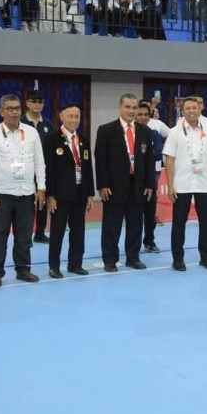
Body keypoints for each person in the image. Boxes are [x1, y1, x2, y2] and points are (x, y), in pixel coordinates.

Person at [0, 94, 46, 287]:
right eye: (9, 108)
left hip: (26, 193)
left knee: (24, 235)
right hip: (2, 194)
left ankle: (23, 269)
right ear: (1, 111)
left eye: (17, 108)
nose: (14, 112)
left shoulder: (31, 132)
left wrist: (41, 187)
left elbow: (39, 162)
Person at [94, 94, 155, 272]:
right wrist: (102, 184)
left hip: (138, 186)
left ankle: (133, 258)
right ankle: (110, 260)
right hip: (113, 186)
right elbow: (100, 160)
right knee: (111, 225)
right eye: (128, 107)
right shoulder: (106, 130)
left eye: (134, 107)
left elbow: (150, 160)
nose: (131, 111)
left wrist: (150, 184)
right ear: (120, 107)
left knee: (136, 223)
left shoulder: (145, 131)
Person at [163, 97, 207, 271]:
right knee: (178, 223)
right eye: (188, 108)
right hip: (181, 184)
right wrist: (170, 184)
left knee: (206, 222)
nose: (191, 111)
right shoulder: (175, 132)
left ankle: (206, 257)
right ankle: (178, 259)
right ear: (183, 111)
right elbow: (170, 159)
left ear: (200, 110)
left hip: (204, 184)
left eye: (194, 108)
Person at [45, 104, 95, 278]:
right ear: (62, 117)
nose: (74, 120)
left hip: (80, 193)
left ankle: (75, 264)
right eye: (71, 116)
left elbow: (88, 168)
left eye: (77, 117)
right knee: (57, 232)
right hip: (59, 195)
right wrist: (49, 194)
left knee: (78, 231)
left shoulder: (83, 140)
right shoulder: (52, 139)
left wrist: (90, 193)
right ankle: (54, 266)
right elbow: (48, 169)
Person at [21, 90, 55, 243]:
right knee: (26, 204)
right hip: (24, 170)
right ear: (27, 103)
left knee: (42, 202)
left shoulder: (48, 125)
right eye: (33, 101)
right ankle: (25, 236)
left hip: (44, 170)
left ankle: (40, 233)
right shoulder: (20, 123)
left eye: (40, 101)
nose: (37, 104)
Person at [136, 101, 165, 253]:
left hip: (151, 179)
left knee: (149, 213)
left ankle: (149, 241)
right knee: (135, 215)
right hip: (133, 181)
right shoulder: (130, 134)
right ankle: (133, 244)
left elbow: (158, 153)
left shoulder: (153, 133)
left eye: (146, 115)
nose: (143, 117)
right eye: (139, 114)